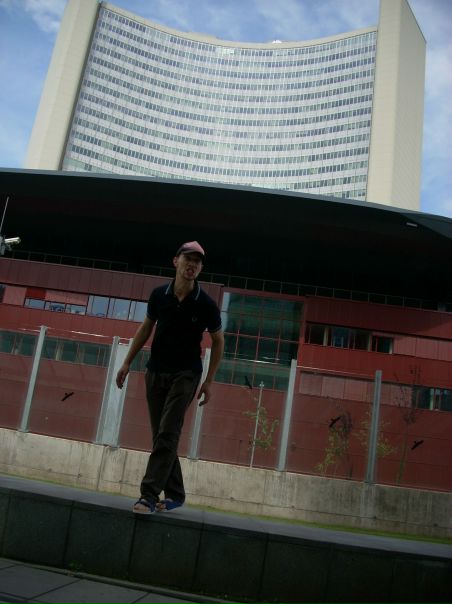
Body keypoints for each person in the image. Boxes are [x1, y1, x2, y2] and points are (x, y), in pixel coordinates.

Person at [116, 241, 224, 514]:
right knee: (162, 436)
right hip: (156, 371)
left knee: (167, 433)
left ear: (200, 268)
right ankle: (175, 493)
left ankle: (148, 496)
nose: (192, 265)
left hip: (186, 374)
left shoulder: (206, 304)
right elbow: (145, 329)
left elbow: (218, 341)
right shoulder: (159, 295)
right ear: (176, 261)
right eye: (188, 259)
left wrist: (209, 381)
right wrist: (127, 362)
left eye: (197, 262)